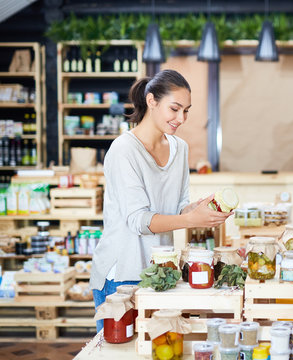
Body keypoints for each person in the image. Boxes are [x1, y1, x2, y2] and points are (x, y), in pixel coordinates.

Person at [90, 69, 231, 332]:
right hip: (121, 275)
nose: (181, 118)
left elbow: (176, 208)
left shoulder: (180, 149)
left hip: (160, 273)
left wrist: (199, 210)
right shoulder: (124, 150)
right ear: (152, 101)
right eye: (175, 109)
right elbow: (138, 220)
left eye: (186, 110)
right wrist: (190, 219)